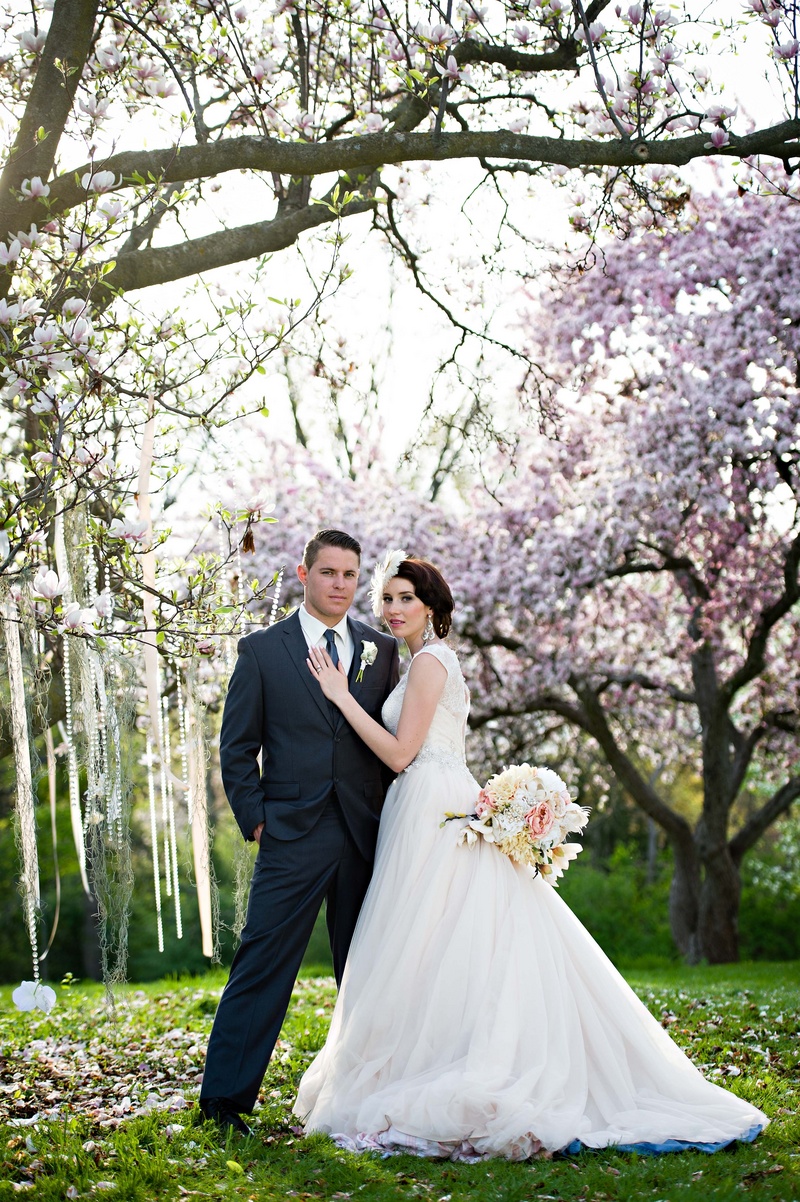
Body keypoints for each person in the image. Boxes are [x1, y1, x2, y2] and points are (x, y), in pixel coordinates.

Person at [293, 550, 768, 1160]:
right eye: (385, 598)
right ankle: (427, 1052)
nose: (392, 609)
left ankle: (466, 1064)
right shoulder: (413, 666)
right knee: (427, 942)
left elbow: (400, 754)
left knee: (436, 933)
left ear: (432, 606)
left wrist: (339, 695)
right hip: (421, 807)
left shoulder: (432, 661)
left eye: (405, 598)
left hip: (431, 799)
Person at [199, 529, 400, 1136]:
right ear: (303, 572)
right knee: (262, 963)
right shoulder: (263, 651)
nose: (340, 585)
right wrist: (258, 818)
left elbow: (391, 739)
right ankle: (225, 1103)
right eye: (329, 573)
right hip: (291, 832)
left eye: (349, 575)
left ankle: (374, 1098)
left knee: (368, 969)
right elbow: (237, 749)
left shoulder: (380, 650)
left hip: (368, 835)